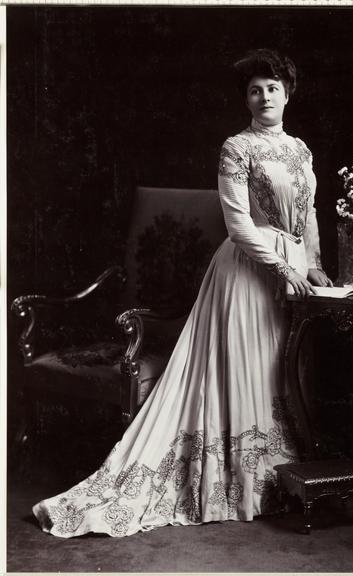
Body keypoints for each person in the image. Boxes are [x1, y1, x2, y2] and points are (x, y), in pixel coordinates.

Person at [32, 48, 332, 538]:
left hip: (293, 273)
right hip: (247, 273)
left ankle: (276, 479)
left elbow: (310, 212)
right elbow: (237, 225)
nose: (263, 97)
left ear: (287, 93)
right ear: (245, 99)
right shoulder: (236, 147)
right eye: (254, 90)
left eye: (272, 88)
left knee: (278, 368)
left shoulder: (301, 150)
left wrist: (313, 264)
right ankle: (235, 483)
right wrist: (280, 265)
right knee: (244, 372)